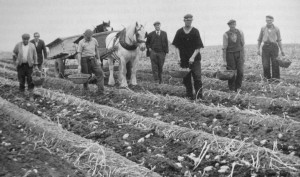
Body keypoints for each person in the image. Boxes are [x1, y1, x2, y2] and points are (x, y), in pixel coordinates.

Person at [172, 14, 204, 100]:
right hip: (184, 60)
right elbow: (176, 46)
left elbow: (198, 47)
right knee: (186, 79)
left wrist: (193, 57)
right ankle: (189, 95)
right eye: (187, 20)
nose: (188, 22)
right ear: (184, 20)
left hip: (195, 59)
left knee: (197, 78)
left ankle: (199, 96)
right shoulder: (179, 32)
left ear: (192, 21)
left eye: (190, 20)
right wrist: (178, 57)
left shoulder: (195, 31)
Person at [257, 15, 285, 80]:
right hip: (265, 47)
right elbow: (259, 39)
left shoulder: (277, 28)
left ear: (273, 20)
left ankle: (275, 79)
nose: (268, 22)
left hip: (274, 47)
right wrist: (258, 49)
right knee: (265, 64)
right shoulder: (263, 28)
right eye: (267, 20)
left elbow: (279, 40)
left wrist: (282, 50)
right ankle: (267, 79)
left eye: (270, 20)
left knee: (275, 64)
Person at [77, 29, 104, 94]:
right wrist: (79, 65)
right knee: (86, 76)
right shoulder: (81, 42)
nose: (89, 38)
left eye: (90, 37)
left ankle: (100, 91)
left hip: (93, 59)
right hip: (84, 60)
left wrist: (99, 59)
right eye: (87, 37)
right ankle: (86, 90)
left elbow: (97, 50)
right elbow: (79, 53)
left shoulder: (94, 40)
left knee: (100, 73)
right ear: (84, 35)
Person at [12, 33, 38, 101]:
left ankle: (31, 95)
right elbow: (14, 53)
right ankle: (22, 95)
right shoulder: (18, 45)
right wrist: (15, 62)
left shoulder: (32, 45)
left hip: (29, 66)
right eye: (24, 39)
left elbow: (35, 55)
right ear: (22, 39)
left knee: (30, 80)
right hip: (21, 66)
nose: (26, 40)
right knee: (21, 80)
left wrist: (35, 65)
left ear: (28, 39)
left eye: (27, 39)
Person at [222, 19, 245, 92]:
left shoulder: (240, 32)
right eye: (231, 24)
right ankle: (231, 88)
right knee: (231, 72)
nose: (232, 26)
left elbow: (243, 44)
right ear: (229, 25)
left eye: (234, 24)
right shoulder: (226, 34)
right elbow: (224, 48)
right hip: (230, 54)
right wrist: (224, 60)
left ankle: (238, 87)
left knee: (240, 72)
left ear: (235, 24)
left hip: (239, 53)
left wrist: (243, 56)